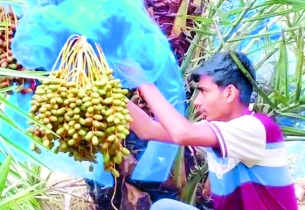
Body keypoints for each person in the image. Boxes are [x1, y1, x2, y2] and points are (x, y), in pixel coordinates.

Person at [117, 51, 298, 210]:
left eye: (204, 91)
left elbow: (182, 133)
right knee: (163, 207)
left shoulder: (257, 128)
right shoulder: (218, 132)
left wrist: (142, 80)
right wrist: (111, 92)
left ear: (229, 93)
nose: (196, 101)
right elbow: (148, 130)